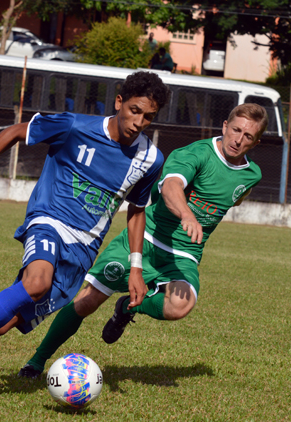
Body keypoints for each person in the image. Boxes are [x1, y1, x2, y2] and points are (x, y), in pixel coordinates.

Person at [0, 71, 171, 388]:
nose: (138, 122)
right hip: (49, 220)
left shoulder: (150, 159)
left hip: (83, 249)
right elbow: (14, 132)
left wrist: (136, 268)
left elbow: (136, 212)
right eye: (134, 110)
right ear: (119, 102)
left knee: (2, 325)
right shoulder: (75, 126)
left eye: (148, 117)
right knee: (36, 282)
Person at [18, 103, 268, 379]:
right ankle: (37, 361)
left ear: (256, 142)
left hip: (182, 254)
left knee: (180, 306)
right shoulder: (196, 154)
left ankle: (125, 308)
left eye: (248, 136)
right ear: (224, 126)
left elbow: (234, 196)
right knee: (87, 302)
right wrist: (186, 213)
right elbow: (172, 185)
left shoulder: (252, 174)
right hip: (144, 240)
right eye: (235, 130)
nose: (238, 139)